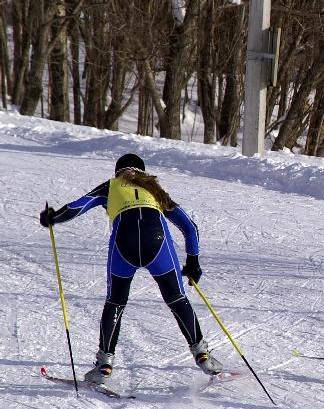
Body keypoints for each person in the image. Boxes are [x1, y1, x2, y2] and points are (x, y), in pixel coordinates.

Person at [39, 153, 223, 385]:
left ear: (117, 172)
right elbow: (190, 227)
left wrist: (53, 217)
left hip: (122, 247)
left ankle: (104, 365)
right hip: (158, 245)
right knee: (177, 299)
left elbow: (77, 207)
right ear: (142, 172)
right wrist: (193, 261)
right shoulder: (153, 188)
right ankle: (202, 354)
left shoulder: (110, 186)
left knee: (115, 302)